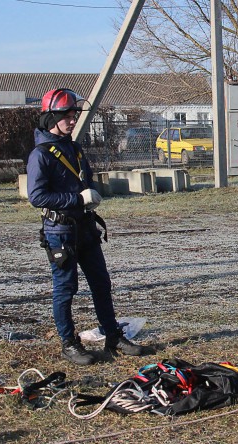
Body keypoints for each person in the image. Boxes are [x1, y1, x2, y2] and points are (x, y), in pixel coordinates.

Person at [27, 88, 150, 364]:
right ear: (51, 118)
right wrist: (76, 198)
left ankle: (113, 336)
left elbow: (87, 180)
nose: (72, 120)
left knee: (101, 283)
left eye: (73, 115)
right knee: (65, 288)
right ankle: (69, 343)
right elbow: (37, 196)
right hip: (60, 233)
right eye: (67, 116)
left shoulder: (75, 148)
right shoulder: (40, 155)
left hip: (85, 228)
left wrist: (91, 194)